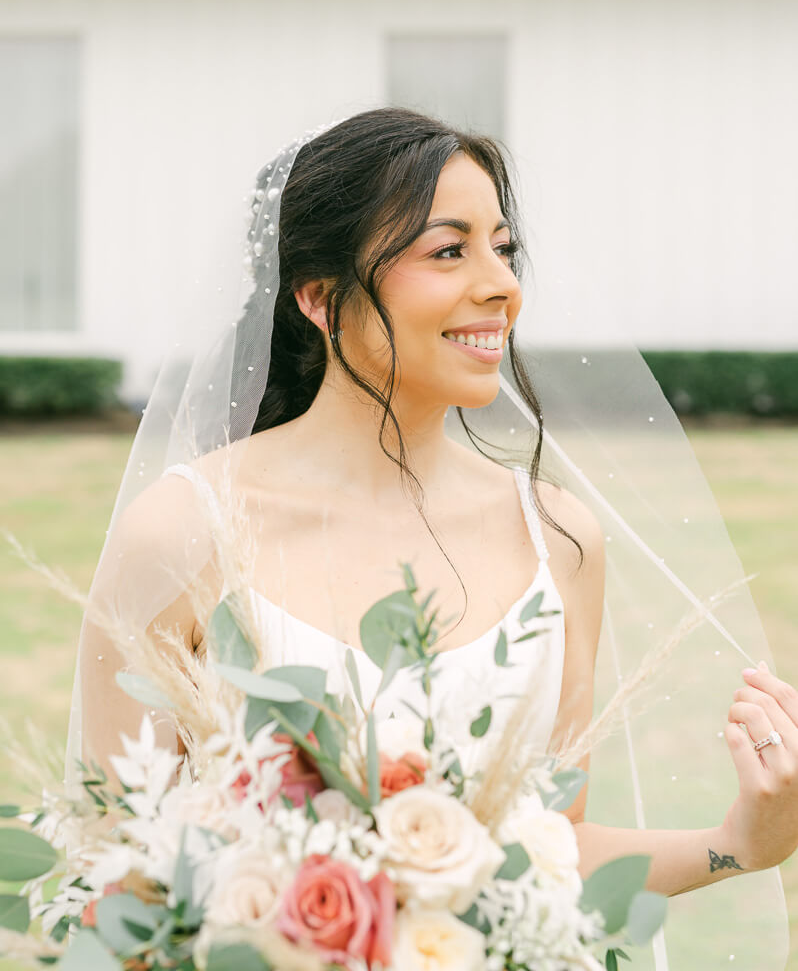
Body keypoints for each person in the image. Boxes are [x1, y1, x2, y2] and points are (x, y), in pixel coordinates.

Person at [70, 106, 794, 967]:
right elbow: (110, 885)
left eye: (503, 248)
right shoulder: (185, 533)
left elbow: (547, 854)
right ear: (317, 298)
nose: (500, 285)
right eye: (448, 251)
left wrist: (738, 843)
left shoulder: (558, 537)